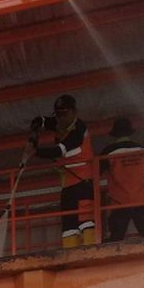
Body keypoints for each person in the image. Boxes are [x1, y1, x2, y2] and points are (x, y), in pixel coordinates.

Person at [25, 94, 96, 249]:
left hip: (83, 183)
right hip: (68, 184)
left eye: (64, 114)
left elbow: (60, 150)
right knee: (69, 225)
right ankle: (69, 255)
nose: (60, 119)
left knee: (85, 221)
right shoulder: (59, 123)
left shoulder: (79, 130)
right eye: (58, 115)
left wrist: (36, 152)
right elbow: (42, 121)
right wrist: (36, 128)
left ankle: (91, 253)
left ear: (74, 112)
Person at [98, 117, 144, 242]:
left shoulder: (108, 152)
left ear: (115, 134)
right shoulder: (142, 150)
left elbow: (96, 174)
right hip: (140, 198)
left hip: (119, 201)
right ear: (129, 133)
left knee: (116, 238)